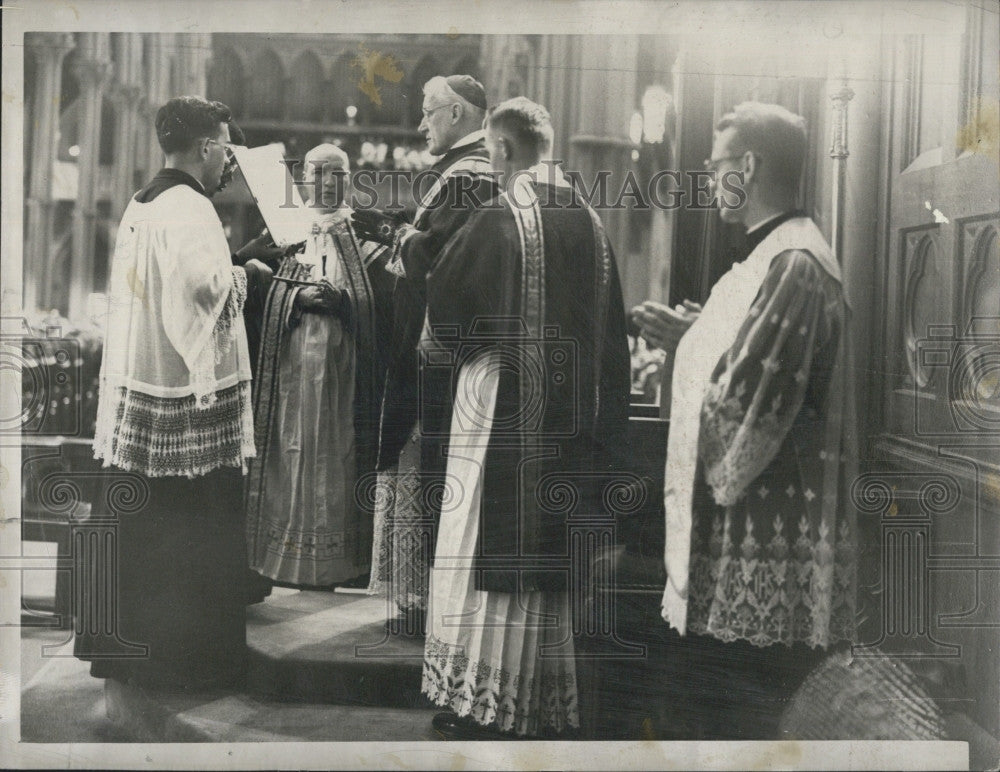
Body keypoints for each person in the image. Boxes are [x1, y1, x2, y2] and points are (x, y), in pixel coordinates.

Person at [632, 102, 858, 739]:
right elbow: (746, 359)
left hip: (767, 528)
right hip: (751, 520)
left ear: (750, 165)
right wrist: (696, 333)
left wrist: (690, 350)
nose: (708, 180)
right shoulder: (773, 257)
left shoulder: (794, 265)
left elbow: (747, 404)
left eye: (715, 166)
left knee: (735, 717)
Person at [419, 97, 630, 739]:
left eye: (488, 150)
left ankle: (482, 706)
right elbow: (613, 339)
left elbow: (444, 318)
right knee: (540, 562)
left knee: (479, 540)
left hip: (496, 411)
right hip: (568, 428)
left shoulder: (499, 213)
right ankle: (533, 702)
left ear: (503, 150)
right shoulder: (593, 224)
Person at [78, 96, 285, 689]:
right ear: (204, 147)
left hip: (145, 390)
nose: (230, 160)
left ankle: (133, 656)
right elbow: (202, 291)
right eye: (226, 145)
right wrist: (251, 275)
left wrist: (236, 263)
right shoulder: (190, 206)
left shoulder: (144, 200)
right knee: (188, 533)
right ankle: (187, 664)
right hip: (181, 401)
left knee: (147, 530)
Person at [352, 75, 498, 633]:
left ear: (458, 115)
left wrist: (392, 237)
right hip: (424, 349)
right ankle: (416, 601)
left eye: (429, 112)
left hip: (437, 356)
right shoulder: (455, 175)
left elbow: (438, 262)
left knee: (423, 467)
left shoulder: (469, 177)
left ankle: (422, 606)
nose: (420, 124)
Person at [245, 144, 393, 587]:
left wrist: (346, 302)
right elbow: (253, 290)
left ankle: (340, 567)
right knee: (291, 453)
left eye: (338, 173)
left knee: (339, 452)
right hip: (290, 371)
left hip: (345, 373)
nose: (329, 182)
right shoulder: (280, 230)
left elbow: (386, 306)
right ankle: (282, 562)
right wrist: (296, 297)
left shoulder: (369, 231)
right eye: (319, 173)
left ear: (350, 179)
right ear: (304, 179)